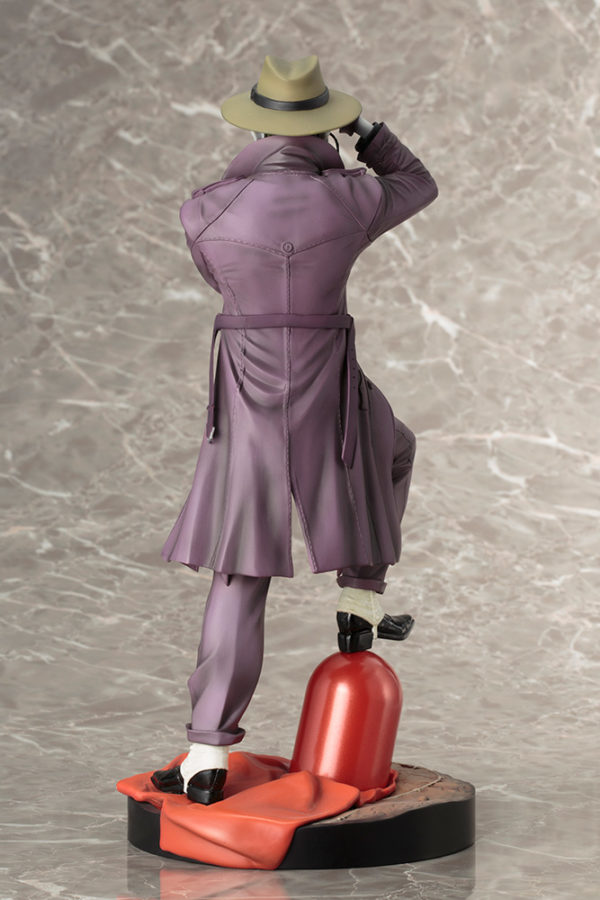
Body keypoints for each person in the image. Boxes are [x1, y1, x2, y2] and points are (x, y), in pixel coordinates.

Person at [151, 54, 439, 804]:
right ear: (326, 125)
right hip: (329, 392)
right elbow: (418, 181)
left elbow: (217, 278)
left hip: (247, 395)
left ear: (253, 129)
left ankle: (206, 754)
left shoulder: (204, 210)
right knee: (391, 449)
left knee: (239, 568)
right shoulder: (352, 198)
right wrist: (365, 130)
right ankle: (361, 598)